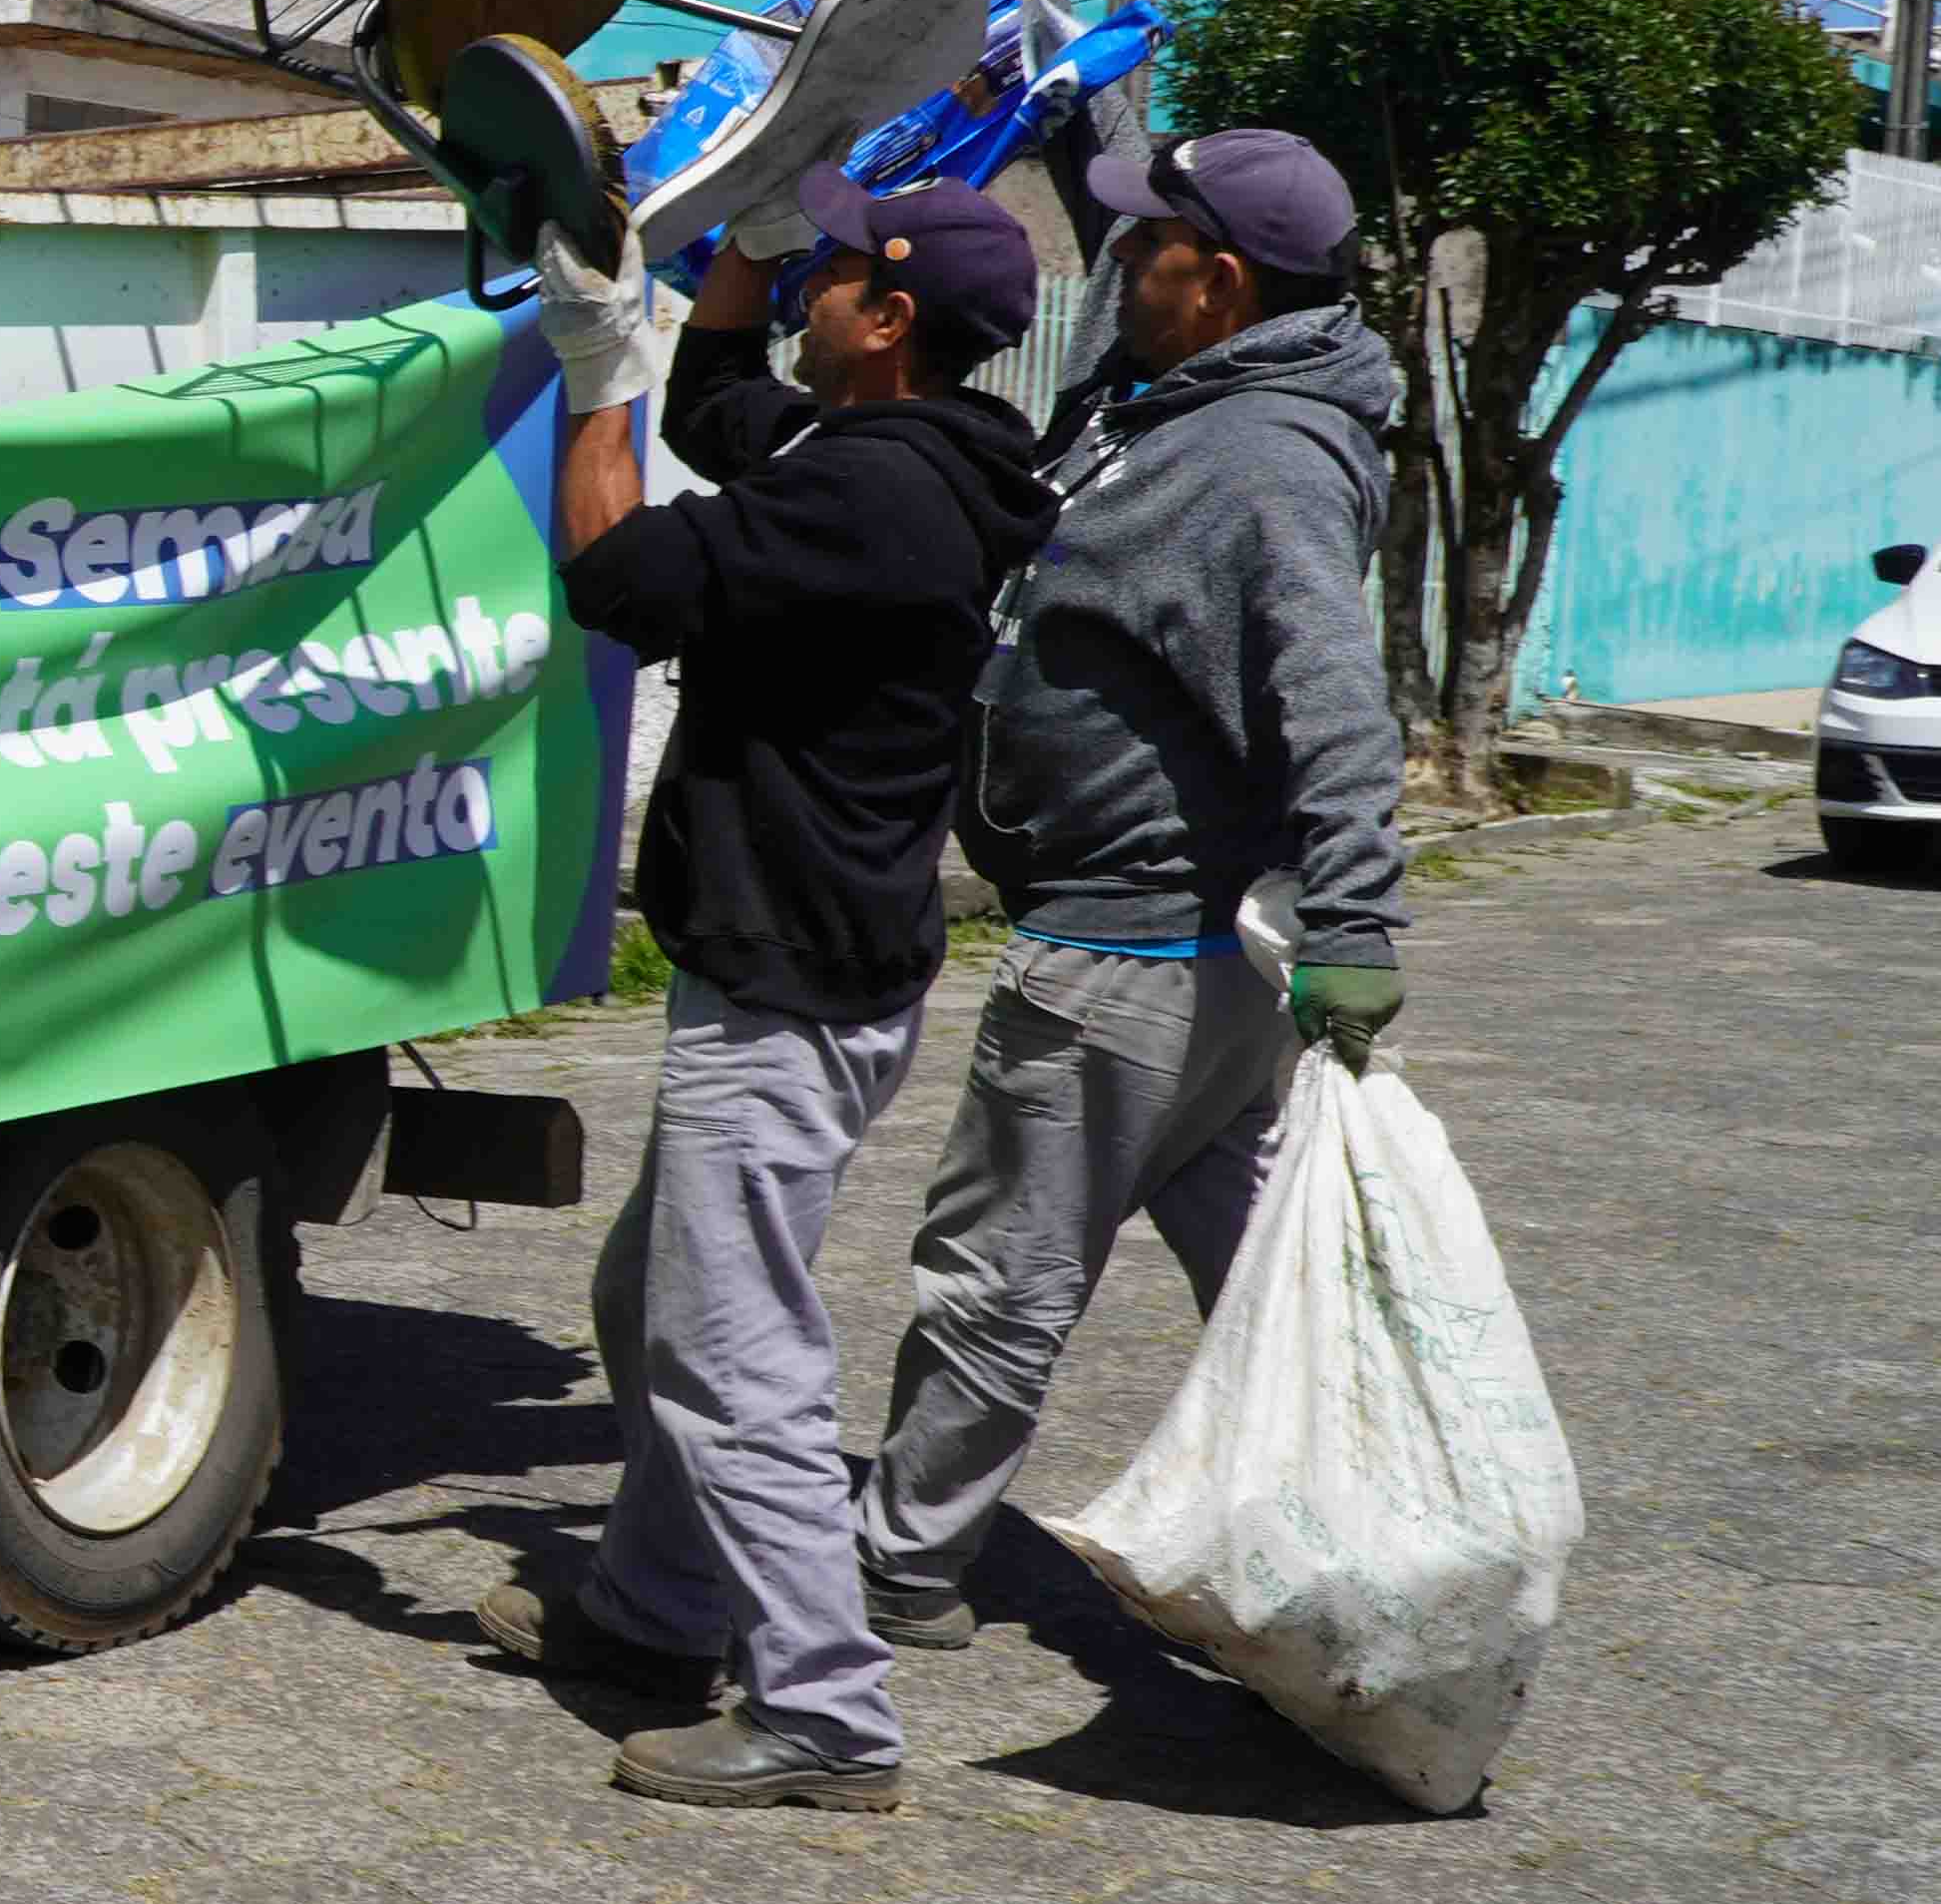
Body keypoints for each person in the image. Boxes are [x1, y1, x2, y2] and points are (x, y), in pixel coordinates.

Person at [494, 172, 1055, 1811]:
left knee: (737, 1361)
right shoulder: (902, 450)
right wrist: (735, 230)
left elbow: (615, 579)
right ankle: (657, 1610)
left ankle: (825, 1714)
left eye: (825, 270)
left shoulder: (877, 499)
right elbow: (729, 402)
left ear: (889, 324)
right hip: (818, 965)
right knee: (651, 1306)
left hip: (788, 985)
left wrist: (598, 367)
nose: (799, 284)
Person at [852, 120, 1412, 1643]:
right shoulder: (1185, 402)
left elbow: (1337, 693)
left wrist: (1360, 914)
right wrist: (1072, 120)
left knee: (1001, 1278)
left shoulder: (1261, 459)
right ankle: (1371, 1543)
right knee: (1272, 1294)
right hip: (1192, 956)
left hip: (1133, 956)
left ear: (1219, 283)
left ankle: (897, 1568)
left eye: (1141, 249)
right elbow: (1100, 359)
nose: (1111, 268)